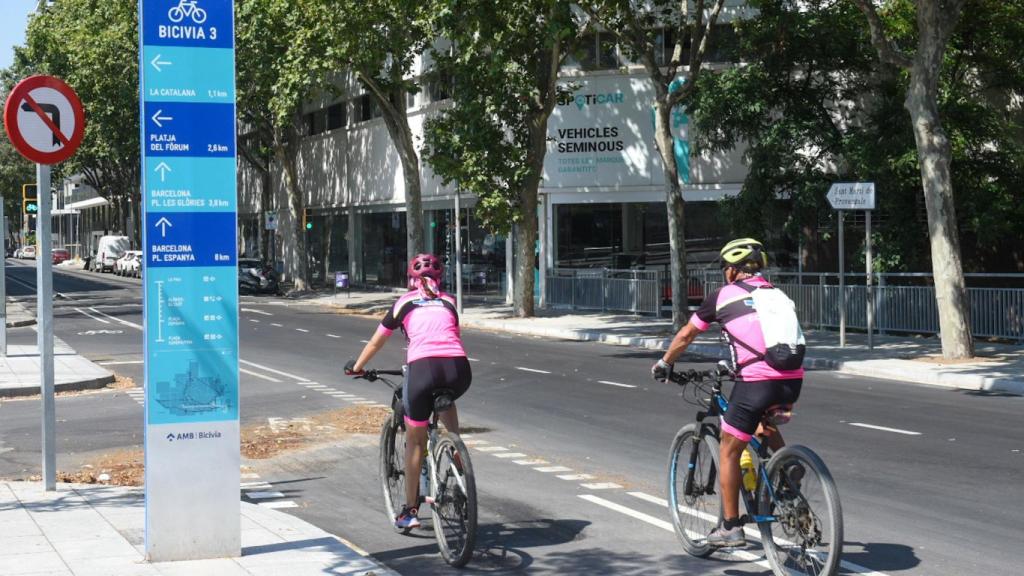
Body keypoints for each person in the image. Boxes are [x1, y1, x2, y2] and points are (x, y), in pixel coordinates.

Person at [651, 238, 804, 548]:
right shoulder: (777, 294)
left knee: (729, 448)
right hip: (793, 378)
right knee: (760, 420)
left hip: (758, 380)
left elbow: (687, 333)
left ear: (733, 271)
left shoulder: (722, 296)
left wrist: (665, 363)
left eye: (725, 269)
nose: (724, 275)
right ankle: (787, 466)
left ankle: (730, 527)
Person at [345, 253, 472, 530]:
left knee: (415, 441)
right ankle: (458, 461)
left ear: (411, 279)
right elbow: (452, 337)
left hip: (423, 369)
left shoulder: (404, 303)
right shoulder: (450, 301)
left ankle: (411, 510)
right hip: (459, 370)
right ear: (441, 279)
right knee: (446, 398)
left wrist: (357, 367)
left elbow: (377, 342)